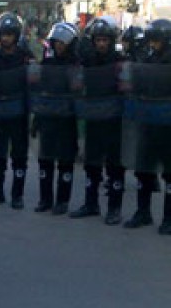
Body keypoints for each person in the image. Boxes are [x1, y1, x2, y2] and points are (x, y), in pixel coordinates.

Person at [69, 16, 126, 224]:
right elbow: (77, 84)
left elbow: (127, 87)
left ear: (111, 41)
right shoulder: (87, 61)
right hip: (94, 118)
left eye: (105, 40)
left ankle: (114, 208)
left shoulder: (120, 61)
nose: (101, 44)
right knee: (91, 164)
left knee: (115, 165)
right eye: (98, 40)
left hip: (114, 121)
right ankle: (91, 203)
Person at [122, 19, 171, 233]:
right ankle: (143, 212)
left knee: (169, 173)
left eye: (156, 40)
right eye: (151, 40)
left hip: (168, 125)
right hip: (147, 122)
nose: (153, 44)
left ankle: (169, 218)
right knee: (143, 170)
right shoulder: (147, 60)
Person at [0, 12, 33, 209]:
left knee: (19, 154)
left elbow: (33, 82)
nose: (6, 39)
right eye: (3, 34)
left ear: (16, 36)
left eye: (10, 35)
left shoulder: (25, 57)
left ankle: (17, 195)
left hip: (19, 112)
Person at [30, 22, 79, 215]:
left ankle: (62, 200)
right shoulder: (46, 64)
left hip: (68, 119)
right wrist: (36, 118)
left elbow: (79, 90)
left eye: (63, 43)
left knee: (66, 161)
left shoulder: (76, 64)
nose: (59, 46)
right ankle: (45, 199)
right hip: (47, 117)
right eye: (56, 42)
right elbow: (38, 91)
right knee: (45, 160)